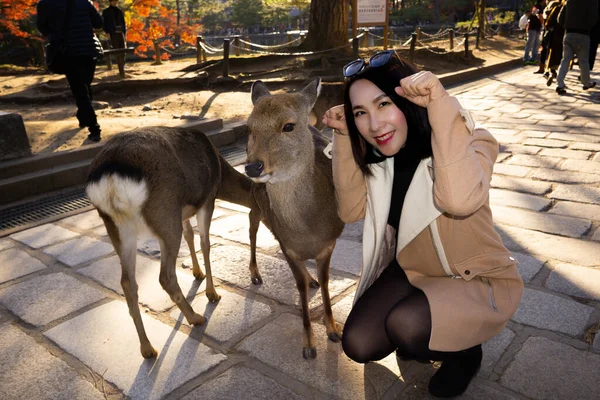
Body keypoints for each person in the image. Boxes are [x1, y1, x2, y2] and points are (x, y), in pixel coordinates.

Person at [322, 51, 523, 398]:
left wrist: (441, 106)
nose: (374, 124)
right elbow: (350, 211)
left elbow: (458, 201)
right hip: (411, 270)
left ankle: (464, 352)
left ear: (409, 100)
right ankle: (428, 328)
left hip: (470, 276)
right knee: (358, 343)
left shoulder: (473, 141)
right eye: (360, 113)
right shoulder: (381, 159)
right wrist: (343, 137)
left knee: (407, 327)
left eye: (383, 104)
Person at [37, 0, 104, 142]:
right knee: (84, 87)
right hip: (88, 50)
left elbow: (42, 28)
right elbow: (99, 23)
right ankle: (89, 122)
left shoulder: (45, 4)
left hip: (67, 51)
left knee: (81, 91)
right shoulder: (84, 2)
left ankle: (91, 125)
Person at [555, 0, 599, 95]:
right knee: (583, 61)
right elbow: (594, 19)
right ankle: (586, 83)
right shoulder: (592, 2)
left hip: (569, 34)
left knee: (565, 60)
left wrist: (568, 25)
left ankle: (560, 84)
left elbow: (559, 19)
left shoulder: (569, 1)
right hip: (583, 34)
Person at [102, 0, 127, 77]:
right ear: (110, 2)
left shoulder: (119, 11)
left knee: (123, 49)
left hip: (120, 33)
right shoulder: (106, 12)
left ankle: (122, 65)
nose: (115, 3)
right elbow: (104, 23)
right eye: (114, 1)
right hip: (113, 33)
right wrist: (107, 32)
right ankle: (120, 67)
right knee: (116, 50)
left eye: (116, 1)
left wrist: (124, 32)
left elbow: (123, 22)